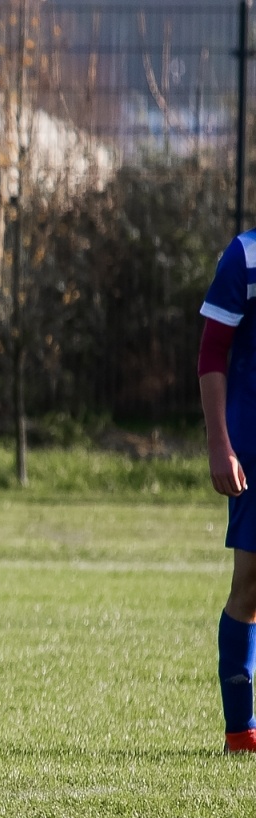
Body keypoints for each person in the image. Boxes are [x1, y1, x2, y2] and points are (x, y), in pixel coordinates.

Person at [198, 228, 256, 754]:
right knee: (250, 585)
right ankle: (241, 732)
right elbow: (212, 354)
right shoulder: (246, 255)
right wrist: (222, 445)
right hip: (253, 445)